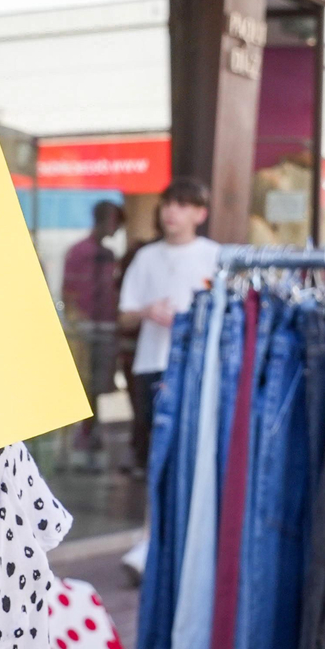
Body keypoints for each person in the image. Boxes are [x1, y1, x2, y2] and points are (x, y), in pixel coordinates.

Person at [119, 178, 219, 471]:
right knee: (153, 442)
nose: (171, 212)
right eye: (168, 204)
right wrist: (147, 311)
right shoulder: (145, 257)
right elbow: (124, 315)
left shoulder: (213, 256)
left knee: (190, 445)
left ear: (200, 214)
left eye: (182, 205)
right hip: (151, 361)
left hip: (195, 361)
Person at [61, 200, 125, 464]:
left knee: (97, 386)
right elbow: (71, 292)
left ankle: (90, 437)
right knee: (84, 384)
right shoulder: (81, 253)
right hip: (85, 331)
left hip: (104, 329)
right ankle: (81, 439)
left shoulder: (106, 255)